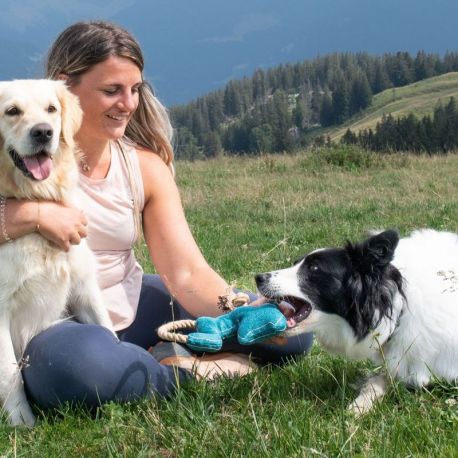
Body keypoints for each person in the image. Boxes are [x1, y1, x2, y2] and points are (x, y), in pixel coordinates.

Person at [0, 21, 313, 411]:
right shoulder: (12, 157)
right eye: (112, 90)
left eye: (135, 90)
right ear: (69, 87)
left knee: (289, 327)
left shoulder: (143, 167)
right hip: (61, 332)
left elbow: (184, 272)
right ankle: (182, 369)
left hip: (129, 307)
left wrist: (238, 309)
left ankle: (157, 358)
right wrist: (31, 213)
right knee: (75, 370)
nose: (128, 104)